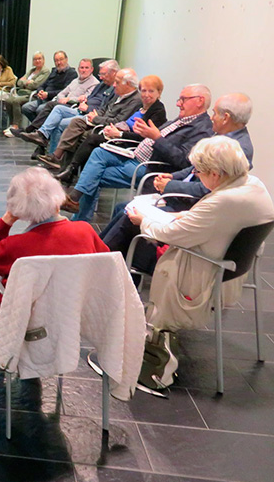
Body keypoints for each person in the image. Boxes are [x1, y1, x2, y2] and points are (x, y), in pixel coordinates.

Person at [126, 136, 274, 333]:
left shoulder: (223, 200)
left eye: (198, 171)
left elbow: (171, 233)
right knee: (132, 229)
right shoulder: (253, 186)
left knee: (133, 234)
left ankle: (126, 306)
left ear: (214, 174)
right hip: (231, 272)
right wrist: (186, 215)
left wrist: (144, 221)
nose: (196, 174)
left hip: (201, 275)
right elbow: (221, 218)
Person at [102, 93, 255, 270]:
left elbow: (208, 189)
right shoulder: (222, 137)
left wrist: (170, 186)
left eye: (214, 113)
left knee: (130, 217)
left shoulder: (237, 150)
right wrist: (173, 177)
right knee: (124, 208)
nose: (212, 117)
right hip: (186, 199)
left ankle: (110, 262)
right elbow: (193, 167)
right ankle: (105, 258)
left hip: (194, 207)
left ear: (225, 117)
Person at [62, 84, 214, 222]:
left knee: (92, 175)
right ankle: (78, 213)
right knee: (97, 154)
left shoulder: (201, 129)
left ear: (199, 101)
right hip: (134, 154)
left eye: (183, 100)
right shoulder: (182, 119)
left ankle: (79, 216)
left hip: (150, 167)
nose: (178, 103)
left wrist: (156, 137)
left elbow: (183, 161)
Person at [0, 167, 108, 282]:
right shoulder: (84, 230)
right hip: (78, 306)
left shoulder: (15, 246)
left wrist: (8, 218)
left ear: (18, 207)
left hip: (30, 309)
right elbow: (106, 263)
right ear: (58, 199)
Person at [52, 74, 166, 184]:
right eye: (144, 91)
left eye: (151, 91)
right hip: (118, 134)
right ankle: (70, 172)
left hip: (130, 145)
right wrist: (112, 130)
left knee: (91, 139)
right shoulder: (143, 107)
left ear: (159, 92)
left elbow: (144, 137)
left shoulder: (157, 111)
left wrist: (119, 134)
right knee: (80, 132)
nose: (146, 95)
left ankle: (72, 171)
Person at [22, 59, 119, 151]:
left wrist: (83, 106)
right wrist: (85, 100)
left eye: (86, 68)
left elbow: (102, 109)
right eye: (81, 67)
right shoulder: (98, 84)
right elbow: (84, 97)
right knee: (56, 108)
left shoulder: (104, 86)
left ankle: (48, 150)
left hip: (84, 111)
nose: (101, 77)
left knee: (54, 117)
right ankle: (41, 135)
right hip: (78, 107)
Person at [14, 58, 99, 145]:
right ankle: (39, 137)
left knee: (49, 106)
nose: (83, 70)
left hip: (74, 107)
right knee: (44, 108)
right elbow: (62, 93)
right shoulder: (75, 81)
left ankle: (33, 131)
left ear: (91, 69)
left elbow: (87, 99)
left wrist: (69, 99)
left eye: (86, 68)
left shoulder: (94, 84)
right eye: (81, 68)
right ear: (78, 69)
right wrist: (62, 99)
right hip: (63, 103)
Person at [16, 50, 77, 130]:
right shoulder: (54, 71)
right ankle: (39, 129)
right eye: (56, 60)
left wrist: (48, 94)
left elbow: (64, 91)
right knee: (26, 108)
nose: (59, 62)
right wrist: (40, 91)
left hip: (56, 100)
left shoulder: (71, 73)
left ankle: (38, 130)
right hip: (44, 98)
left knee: (40, 109)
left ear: (66, 59)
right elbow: (43, 85)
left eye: (61, 59)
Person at [2, 51, 50, 134]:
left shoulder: (45, 71)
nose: (37, 61)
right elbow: (19, 82)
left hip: (32, 95)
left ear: (43, 60)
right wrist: (27, 82)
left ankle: (16, 126)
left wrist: (26, 82)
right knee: (8, 100)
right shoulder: (32, 70)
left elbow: (35, 85)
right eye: (35, 59)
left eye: (39, 59)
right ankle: (11, 124)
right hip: (22, 93)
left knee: (15, 101)